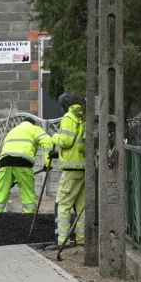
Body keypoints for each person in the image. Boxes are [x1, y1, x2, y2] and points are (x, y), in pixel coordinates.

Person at [0, 119, 55, 215]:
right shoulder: (35, 128)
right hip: (23, 161)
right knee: (27, 191)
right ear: (34, 123)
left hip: (5, 161)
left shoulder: (14, 130)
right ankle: (29, 214)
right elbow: (47, 142)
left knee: (1, 189)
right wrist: (48, 163)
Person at [49, 93, 86, 247]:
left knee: (63, 204)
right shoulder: (84, 117)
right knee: (81, 205)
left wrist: (54, 137)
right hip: (84, 167)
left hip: (71, 168)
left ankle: (61, 240)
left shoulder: (69, 117)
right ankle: (82, 239)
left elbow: (66, 141)